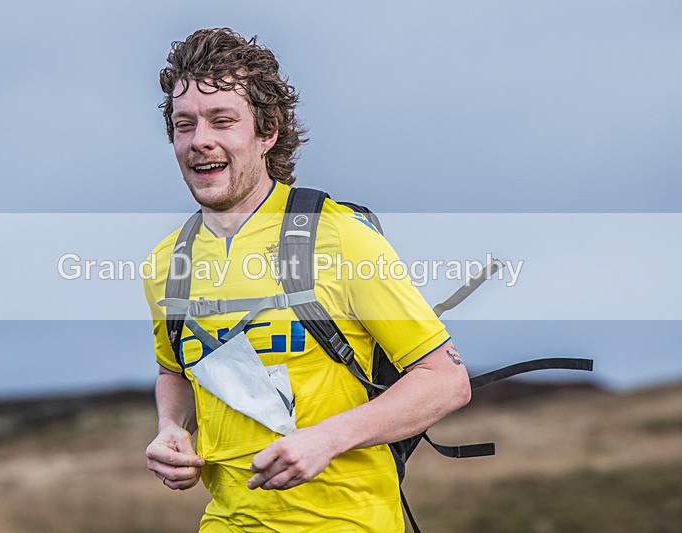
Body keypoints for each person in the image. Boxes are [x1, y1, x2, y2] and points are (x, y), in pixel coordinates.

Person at [143, 28, 471, 532]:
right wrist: (171, 429)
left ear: (268, 131)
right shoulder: (168, 262)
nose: (199, 140)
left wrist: (328, 438)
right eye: (184, 125)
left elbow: (445, 382)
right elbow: (175, 372)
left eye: (222, 120)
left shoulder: (338, 236)